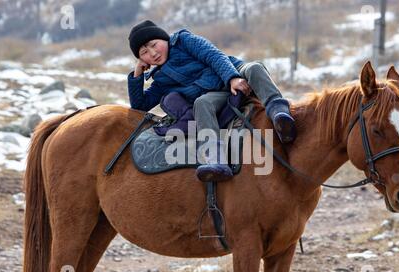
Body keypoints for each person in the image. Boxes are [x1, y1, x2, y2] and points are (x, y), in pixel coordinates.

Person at [127, 20, 296, 182]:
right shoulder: (161, 79)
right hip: (216, 94)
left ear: (164, 38)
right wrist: (137, 74)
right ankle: (215, 159)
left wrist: (232, 78)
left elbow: (213, 56)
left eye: (154, 45)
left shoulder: (183, 40)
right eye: (144, 53)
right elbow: (139, 105)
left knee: (254, 68)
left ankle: (279, 114)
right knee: (201, 103)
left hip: (232, 70)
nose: (153, 53)